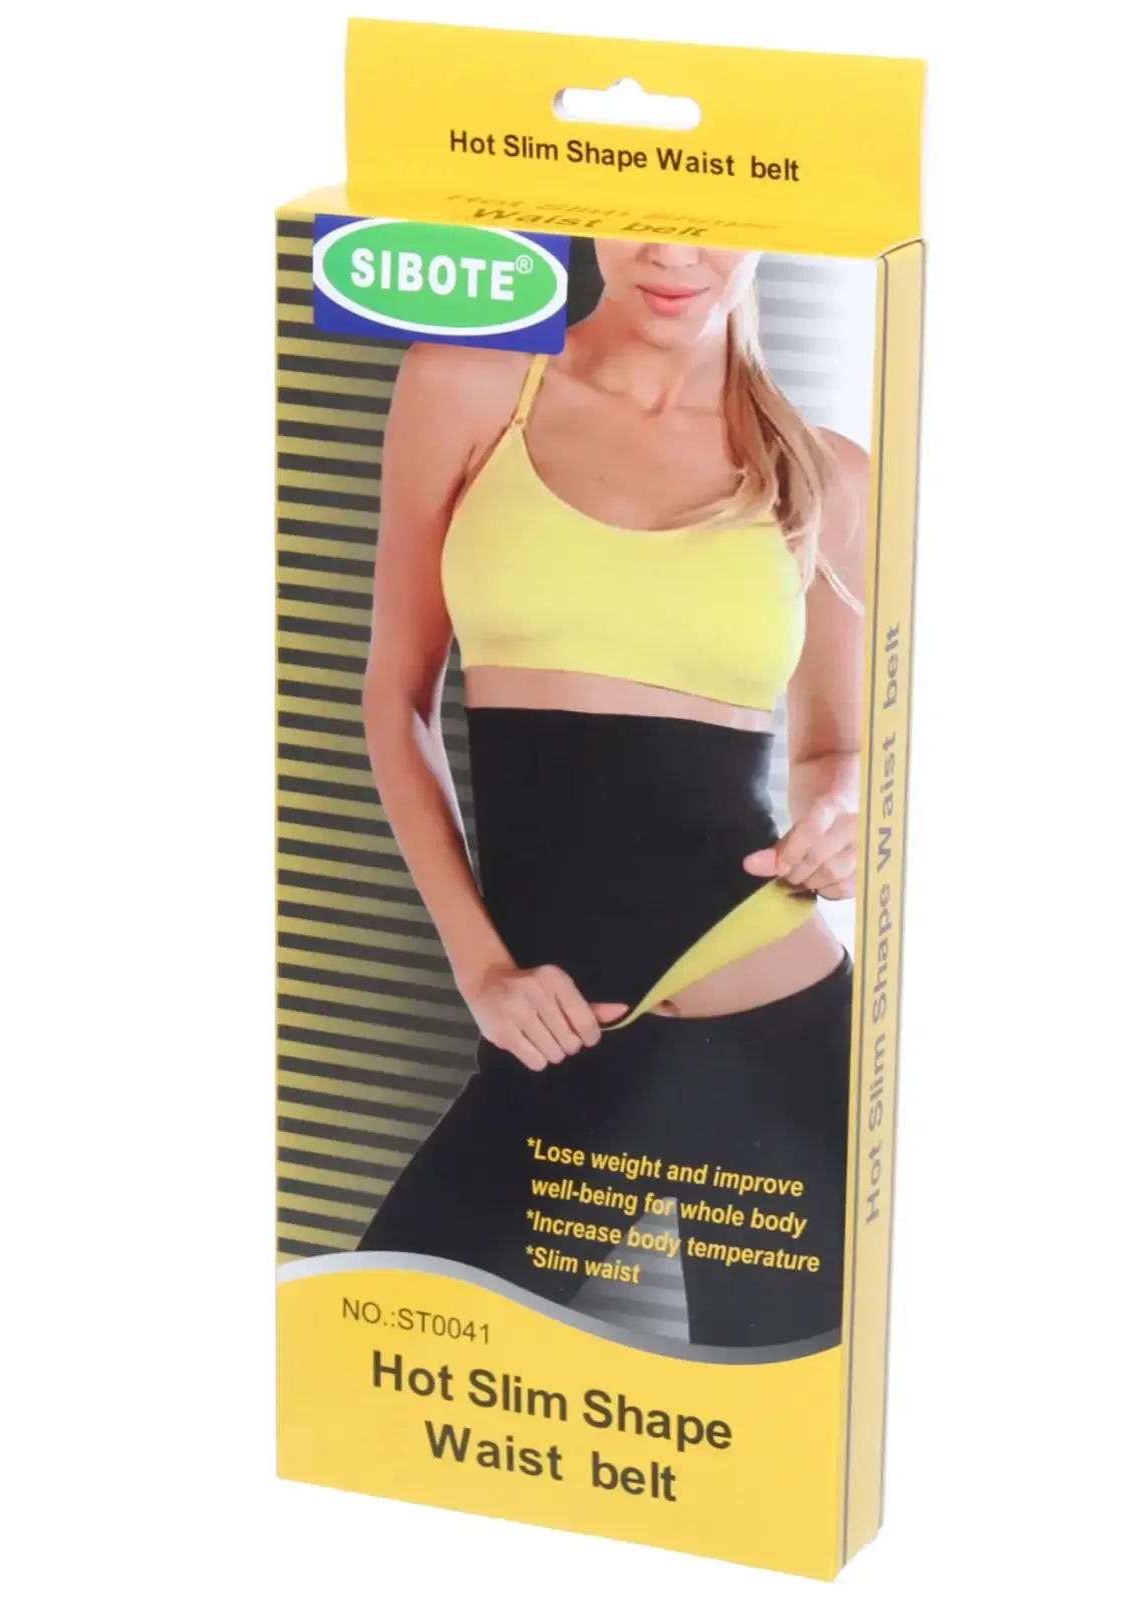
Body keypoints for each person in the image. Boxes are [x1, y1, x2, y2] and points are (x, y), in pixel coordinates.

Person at [356, 239, 869, 1348]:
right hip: (558, 1036)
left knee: (771, 1430)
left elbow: (835, 747)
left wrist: (839, 820)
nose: (671, 251)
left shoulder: (827, 472)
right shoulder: (471, 386)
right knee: (380, 1362)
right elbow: (396, 703)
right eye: (639, 215)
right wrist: (481, 968)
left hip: (779, 1036)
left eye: (711, 221)